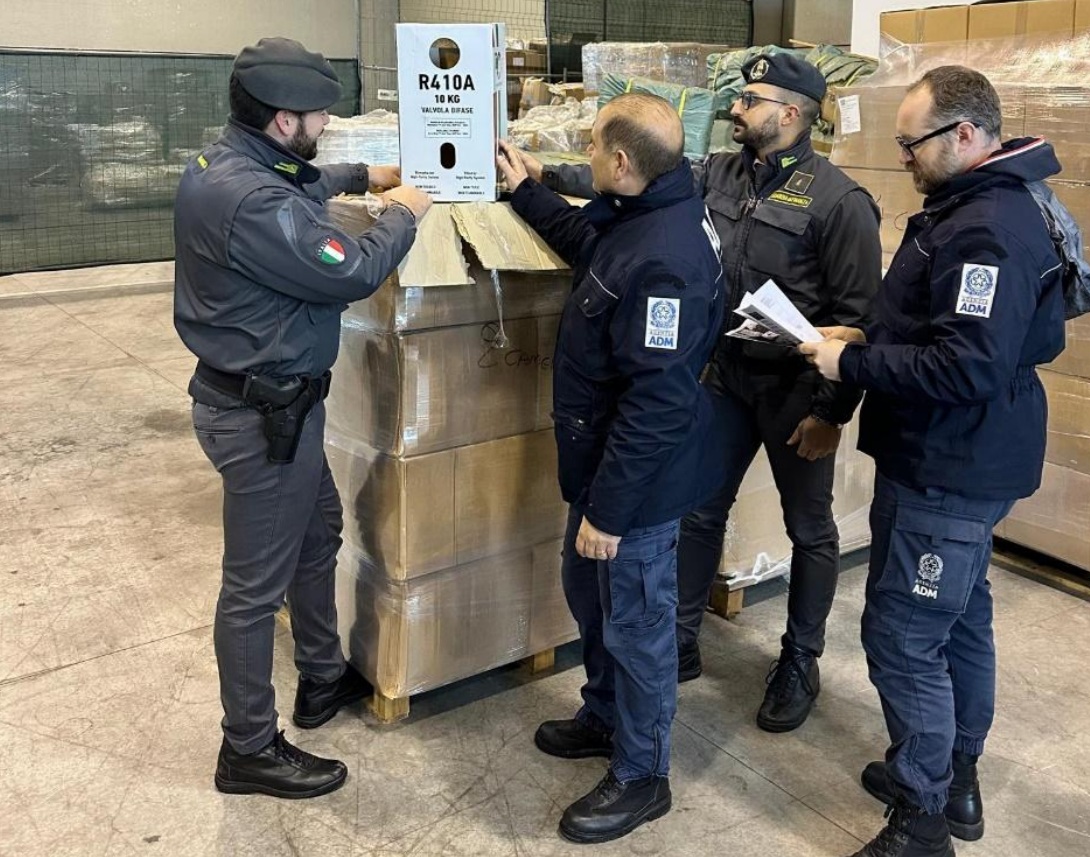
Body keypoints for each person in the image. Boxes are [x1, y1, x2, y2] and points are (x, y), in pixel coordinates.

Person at [518, 52, 882, 733]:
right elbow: (636, 168)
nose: (735, 107)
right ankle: (679, 636)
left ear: (791, 113)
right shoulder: (716, 172)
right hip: (722, 376)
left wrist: (831, 412)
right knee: (699, 512)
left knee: (809, 527)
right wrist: (543, 176)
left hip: (793, 388)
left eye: (750, 99)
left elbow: (862, 317)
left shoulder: (840, 202)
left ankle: (799, 658)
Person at [800, 66, 1066, 857]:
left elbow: (965, 367)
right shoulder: (977, 205)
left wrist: (848, 364)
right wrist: (865, 337)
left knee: (904, 634)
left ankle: (920, 820)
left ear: (964, 135)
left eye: (910, 143)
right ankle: (953, 778)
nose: (902, 158)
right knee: (959, 618)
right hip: (957, 457)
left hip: (949, 464)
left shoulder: (985, 229)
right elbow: (947, 331)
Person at [173, 36, 432, 800]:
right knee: (253, 590)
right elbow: (350, 269)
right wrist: (402, 213)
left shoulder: (228, 163)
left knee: (318, 532)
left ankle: (321, 673)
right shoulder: (254, 202)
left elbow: (299, 182)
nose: (324, 125)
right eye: (318, 116)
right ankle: (247, 746)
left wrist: (362, 175)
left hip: (279, 408)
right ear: (285, 120)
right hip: (259, 419)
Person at [495, 92, 725, 843]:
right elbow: (583, 238)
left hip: (636, 489)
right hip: (599, 469)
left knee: (637, 627)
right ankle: (604, 714)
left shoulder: (667, 261)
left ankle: (642, 773)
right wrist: (525, 190)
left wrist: (609, 512)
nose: (586, 156)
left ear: (621, 161)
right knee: (589, 598)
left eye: (593, 146)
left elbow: (656, 405)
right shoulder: (639, 213)